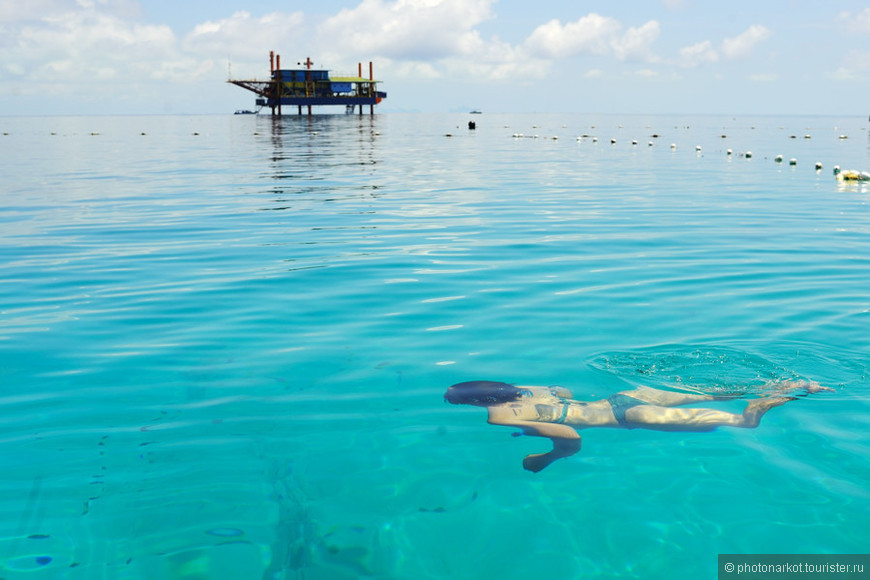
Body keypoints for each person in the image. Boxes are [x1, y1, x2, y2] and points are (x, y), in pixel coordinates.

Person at [444, 379, 831, 473]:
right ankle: (784, 383)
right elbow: (564, 390)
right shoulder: (528, 389)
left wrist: (546, 458)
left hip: (630, 416)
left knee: (746, 421)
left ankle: (795, 391)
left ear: (476, 403)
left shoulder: (500, 415)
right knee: (721, 393)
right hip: (625, 396)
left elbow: (572, 437)